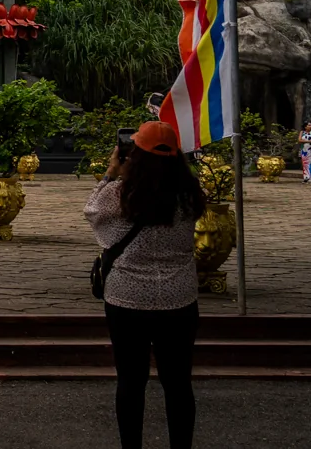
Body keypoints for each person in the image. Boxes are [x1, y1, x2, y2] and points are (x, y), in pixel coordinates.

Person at [86, 121, 208, 449]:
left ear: (133, 152)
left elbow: (92, 211)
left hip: (127, 299)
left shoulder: (120, 193)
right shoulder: (190, 193)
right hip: (178, 299)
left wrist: (112, 171)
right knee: (179, 383)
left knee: (130, 381)